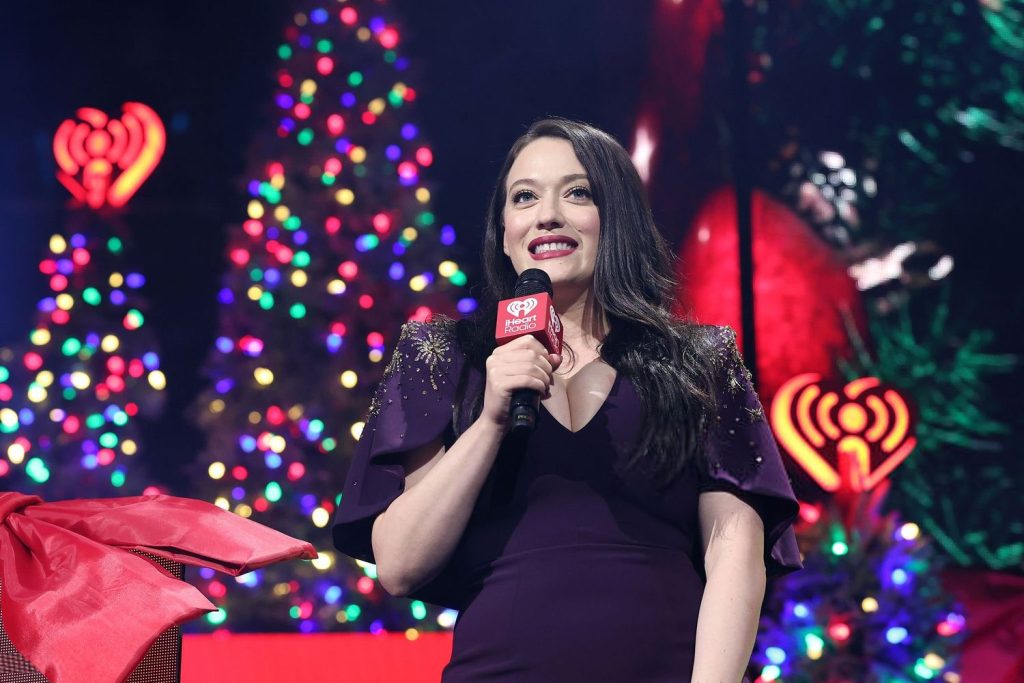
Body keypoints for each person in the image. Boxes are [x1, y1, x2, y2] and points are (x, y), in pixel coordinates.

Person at [333, 117, 801, 682]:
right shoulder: (442, 354)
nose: (547, 214)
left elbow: (735, 550)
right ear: (504, 232)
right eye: (524, 196)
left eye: (577, 192)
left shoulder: (699, 359)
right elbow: (401, 566)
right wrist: (491, 420)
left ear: (617, 219)